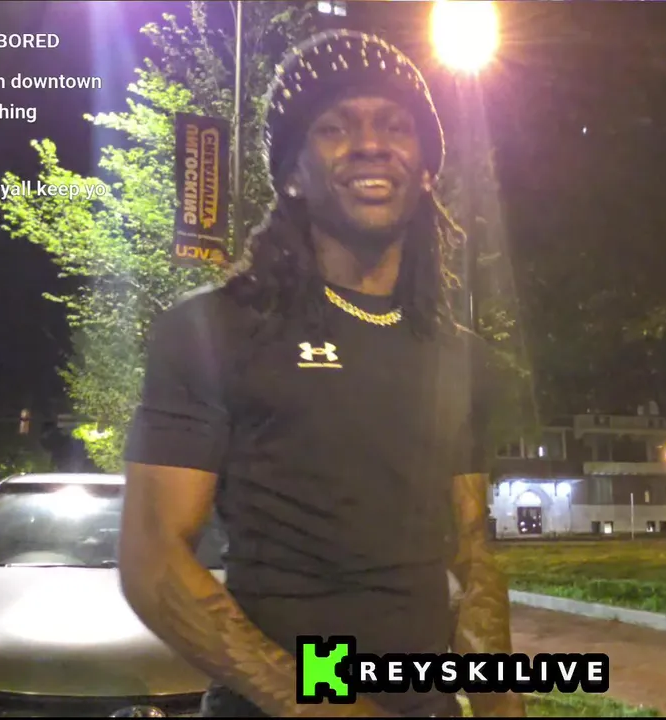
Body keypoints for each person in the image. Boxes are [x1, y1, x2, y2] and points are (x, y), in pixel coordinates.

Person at [118, 30, 523, 719]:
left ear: (426, 171)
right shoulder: (216, 329)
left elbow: (470, 553)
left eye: (395, 126)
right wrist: (332, 704)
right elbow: (154, 559)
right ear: (293, 177)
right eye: (335, 127)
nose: (371, 144)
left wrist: (499, 707)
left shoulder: (459, 356)